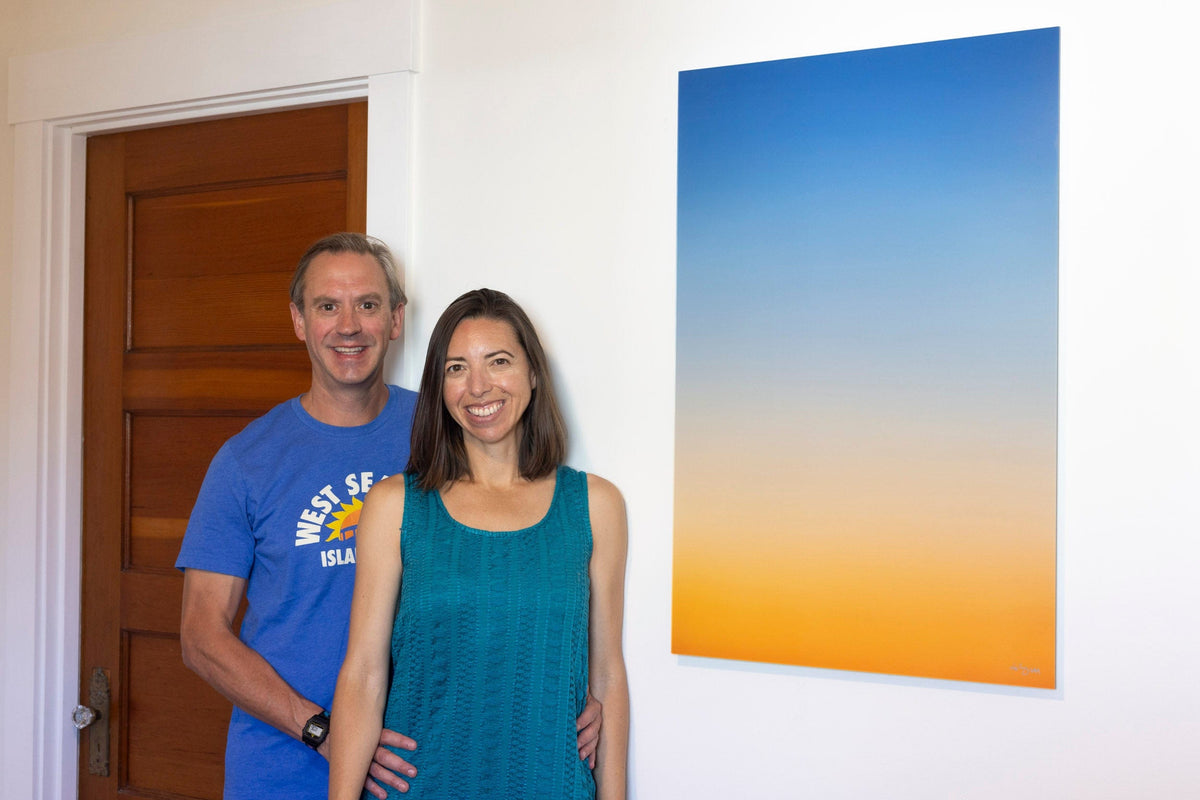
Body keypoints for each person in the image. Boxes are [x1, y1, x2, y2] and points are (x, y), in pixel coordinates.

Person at [176, 236, 602, 800]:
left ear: (397, 318)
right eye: (327, 306)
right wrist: (324, 730)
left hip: (420, 766)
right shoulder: (246, 461)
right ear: (299, 321)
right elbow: (201, 635)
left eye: (369, 305)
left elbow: (520, 557)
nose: (348, 325)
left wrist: (568, 689)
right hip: (281, 766)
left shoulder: (451, 426)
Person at [329, 288, 630, 800]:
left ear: (532, 374)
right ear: (439, 387)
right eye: (456, 368)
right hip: (423, 786)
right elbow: (362, 673)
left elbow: (607, 675)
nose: (478, 386)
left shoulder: (595, 505)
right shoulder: (395, 505)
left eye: (499, 361)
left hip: (550, 784)